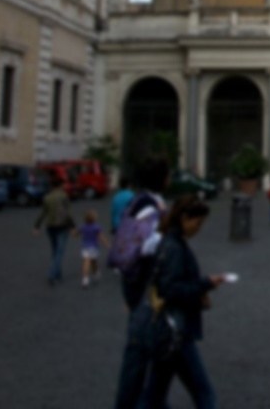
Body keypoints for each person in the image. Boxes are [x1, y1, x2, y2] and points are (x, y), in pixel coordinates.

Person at [145, 196, 226, 408]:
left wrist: (203, 285)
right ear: (184, 218)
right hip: (177, 330)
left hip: (167, 328)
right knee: (204, 394)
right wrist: (204, 285)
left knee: (154, 395)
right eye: (197, 223)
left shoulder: (169, 242)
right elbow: (171, 290)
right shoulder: (174, 247)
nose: (198, 229)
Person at [113, 156, 170, 409]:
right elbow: (145, 245)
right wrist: (168, 237)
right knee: (138, 355)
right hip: (145, 287)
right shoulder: (148, 206)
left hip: (143, 287)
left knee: (149, 353)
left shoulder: (142, 201)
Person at [33, 174, 75, 286]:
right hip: (62, 226)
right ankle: (52, 275)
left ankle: (58, 275)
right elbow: (68, 213)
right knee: (59, 252)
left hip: (50, 227)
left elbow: (43, 213)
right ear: (61, 185)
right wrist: (72, 227)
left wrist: (37, 226)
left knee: (55, 251)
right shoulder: (64, 196)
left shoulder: (47, 197)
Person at [75, 209, 110, 287]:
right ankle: (94, 273)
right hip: (94, 247)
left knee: (86, 262)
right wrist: (107, 244)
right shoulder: (96, 227)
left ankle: (85, 278)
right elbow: (101, 237)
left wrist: (74, 233)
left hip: (85, 247)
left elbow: (76, 233)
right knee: (92, 262)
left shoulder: (83, 226)